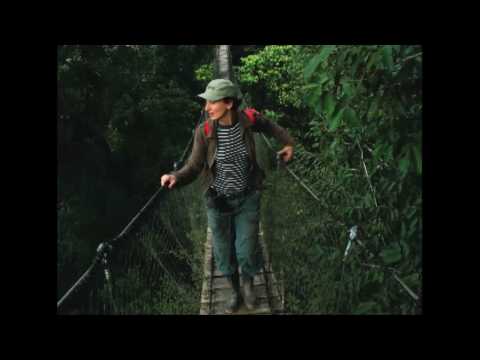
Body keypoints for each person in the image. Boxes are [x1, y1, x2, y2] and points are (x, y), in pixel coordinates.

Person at [161, 79, 294, 313]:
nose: (207, 107)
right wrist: (176, 176)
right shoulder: (204, 132)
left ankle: (248, 285)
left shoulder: (248, 119)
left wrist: (288, 143)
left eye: (212, 102)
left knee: (246, 248)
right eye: (206, 102)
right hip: (217, 201)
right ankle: (234, 290)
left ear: (229, 103)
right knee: (223, 254)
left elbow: (270, 125)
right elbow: (193, 166)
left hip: (247, 197)